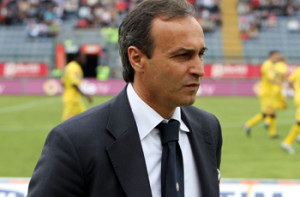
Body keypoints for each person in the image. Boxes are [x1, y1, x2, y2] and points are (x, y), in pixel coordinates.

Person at [27, 0, 222, 197]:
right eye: (182, 55)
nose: (200, 70)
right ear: (136, 59)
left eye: (201, 54)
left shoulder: (208, 129)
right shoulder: (74, 143)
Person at [244, 50, 280, 138]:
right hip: (266, 93)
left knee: (274, 112)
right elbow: (271, 79)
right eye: (276, 56)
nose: (277, 58)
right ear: (271, 56)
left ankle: (272, 133)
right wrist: (282, 83)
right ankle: (248, 124)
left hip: (271, 93)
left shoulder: (272, 65)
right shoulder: (267, 65)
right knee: (267, 113)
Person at [61, 46, 92, 121]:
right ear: (77, 57)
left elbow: (63, 82)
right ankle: (60, 132)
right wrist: (85, 95)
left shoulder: (69, 66)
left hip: (74, 99)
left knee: (85, 118)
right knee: (67, 121)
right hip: (72, 99)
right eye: (82, 56)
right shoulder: (74, 68)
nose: (84, 58)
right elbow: (74, 84)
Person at [281, 66, 300, 154]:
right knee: (299, 123)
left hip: (298, 97)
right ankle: (287, 143)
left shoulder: (298, 70)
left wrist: (296, 89)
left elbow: (289, 81)